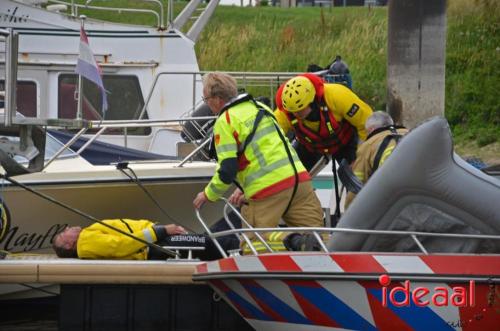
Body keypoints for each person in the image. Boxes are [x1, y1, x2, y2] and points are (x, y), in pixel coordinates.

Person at [193, 72, 324, 251]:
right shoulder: (260, 107)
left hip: (268, 190)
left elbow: (227, 170)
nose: (207, 103)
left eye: (206, 98)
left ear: (217, 99)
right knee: (319, 239)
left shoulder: (225, 121)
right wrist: (242, 188)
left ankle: (293, 241)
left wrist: (208, 194)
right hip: (299, 181)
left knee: (253, 246)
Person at [274, 74, 373, 218]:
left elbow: (367, 124)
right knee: (290, 177)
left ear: (313, 101)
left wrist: (361, 157)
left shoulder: (338, 96)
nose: (296, 114)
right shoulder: (283, 113)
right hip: (309, 145)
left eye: (300, 110)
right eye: (293, 112)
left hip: (345, 142)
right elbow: (271, 140)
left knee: (357, 180)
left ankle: (361, 216)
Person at [52, 219, 231, 261]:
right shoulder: (86, 242)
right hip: (152, 247)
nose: (67, 229)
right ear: (69, 244)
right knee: (206, 243)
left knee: (207, 241)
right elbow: (122, 245)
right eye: (63, 233)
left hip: (154, 242)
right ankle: (247, 253)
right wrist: (160, 231)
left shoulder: (87, 237)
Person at [344, 111, 408, 208]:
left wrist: (347, 214)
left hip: (390, 199)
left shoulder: (368, 145)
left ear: (372, 129)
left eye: (367, 132)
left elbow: (356, 184)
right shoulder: (412, 133)